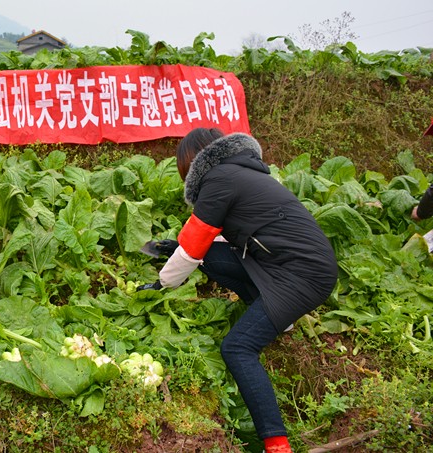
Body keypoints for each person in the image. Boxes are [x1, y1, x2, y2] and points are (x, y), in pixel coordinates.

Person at [137, 128, 338, 453]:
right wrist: (176, 247)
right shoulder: (240, 172)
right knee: (211, 259)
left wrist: (161, 283)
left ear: (192, 163)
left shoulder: (218, 179)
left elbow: (192, 249)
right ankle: (278, 317)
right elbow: (216, 245)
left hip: (301, 275)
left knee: (237, 348)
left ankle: (276, 444)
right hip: (293, 264)